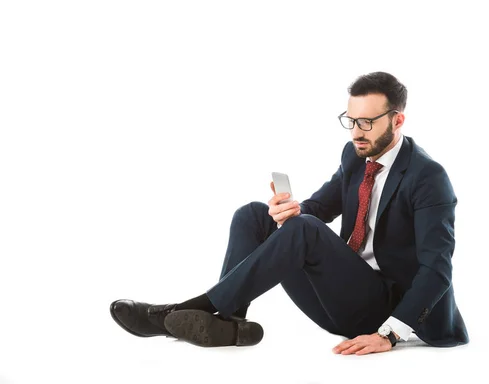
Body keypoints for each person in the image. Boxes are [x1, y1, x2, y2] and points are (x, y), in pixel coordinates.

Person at [110, 71, 469, 355]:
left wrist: (389, 334)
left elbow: (438, 269)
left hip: (384, 310)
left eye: (367, 123)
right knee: (253, 215)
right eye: (351, 120)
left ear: (397, 120)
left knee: (305, 230)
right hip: (339, 295)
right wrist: (290, 210)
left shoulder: (428, 177)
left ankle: (188, 308)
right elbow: (319, 208)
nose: (356, 133)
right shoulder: (354, 155)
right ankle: (232, 323)